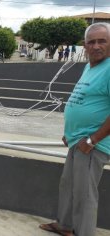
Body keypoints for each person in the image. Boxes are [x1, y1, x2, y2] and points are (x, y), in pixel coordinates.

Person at [39, 22, 110, 236]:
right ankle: (65, 225)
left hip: (92, 144)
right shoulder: (91, 66)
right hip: (78, 140)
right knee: (68, 185)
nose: (96, 46)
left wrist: (93, 140)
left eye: (102, 41)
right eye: (91, 42)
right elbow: (85, 100)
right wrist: (69, 133)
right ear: (84, 46)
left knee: (85, 195)